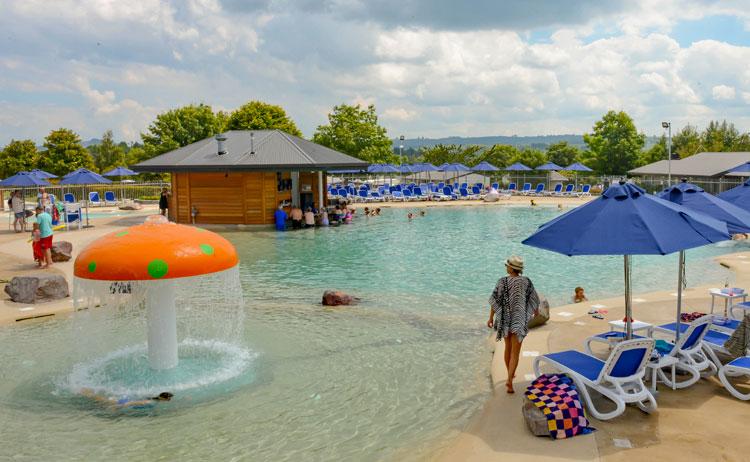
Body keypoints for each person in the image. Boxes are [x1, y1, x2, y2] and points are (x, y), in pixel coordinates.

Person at [486, 255, 540, 394]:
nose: (506, 267)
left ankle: (509, 375)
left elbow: (494, 300)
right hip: (519, 319)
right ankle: (510, 380)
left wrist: (491, 318)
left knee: (507, 349)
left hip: (504, 319)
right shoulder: (526, 282)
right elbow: (534, 298)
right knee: (515, 353)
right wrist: (535, 311)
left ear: (511, 268)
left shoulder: (502, 282)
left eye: (507, 265)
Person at [80, 388, 173, 410]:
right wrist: (118, 406)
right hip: (123, 402)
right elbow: (132, 403)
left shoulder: (154, 401)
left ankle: (88, 392)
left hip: (124, 401)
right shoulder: (149, 402)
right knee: (101, 400)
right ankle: (86, 392)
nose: (169, 400)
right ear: (162, 398)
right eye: (168, 399)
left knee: (101, 401)